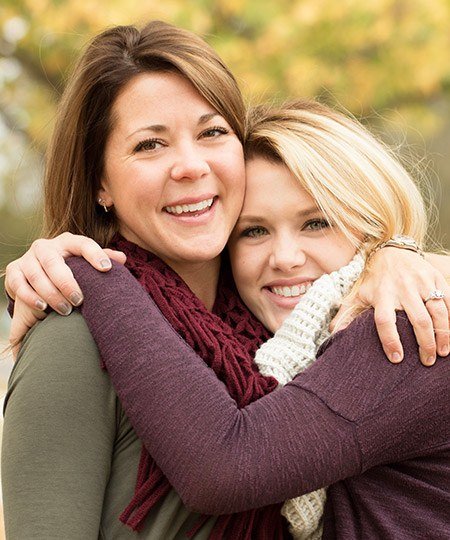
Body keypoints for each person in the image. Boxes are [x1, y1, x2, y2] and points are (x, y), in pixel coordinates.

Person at [1, 19, 449, 540]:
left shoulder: (353, 330)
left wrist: (400, 255)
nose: (190, 166)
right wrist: (90, 271)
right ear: (99, 179)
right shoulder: (75, 330)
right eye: (149, 145)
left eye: (212, 131)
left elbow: (230, 464)